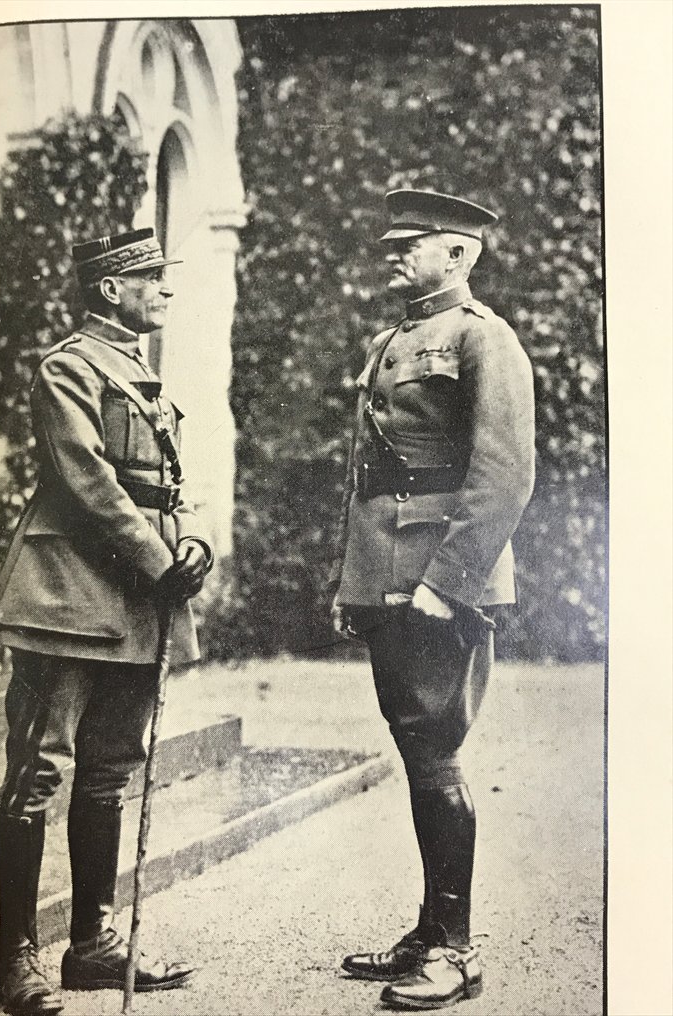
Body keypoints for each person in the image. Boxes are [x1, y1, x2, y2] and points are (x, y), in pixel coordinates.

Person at [0, 227, 213, 1016]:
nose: (165, 290)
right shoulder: (68, 367)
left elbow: (163, 487)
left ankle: (91, 944)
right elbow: (85, 480)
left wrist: (194, 544)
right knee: (39, 770)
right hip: (67, 598)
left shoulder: (140, 372)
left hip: (134, 598)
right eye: (153, 277)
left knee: (111, 770)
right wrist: (160, 565)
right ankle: (15, 959)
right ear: (111, 288)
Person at [330, 189, 535, 1010]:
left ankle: (455, 949)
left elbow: (505, 475)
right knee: (417, 750)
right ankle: (429, 929)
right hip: (388, 575)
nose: (392, 251)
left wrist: (447, 587)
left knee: (436, 754)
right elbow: (368, 474)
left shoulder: (485, 339)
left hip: (438, 583)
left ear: (459, 253)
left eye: (410, 242)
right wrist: (357, 582)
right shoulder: (393, 340)